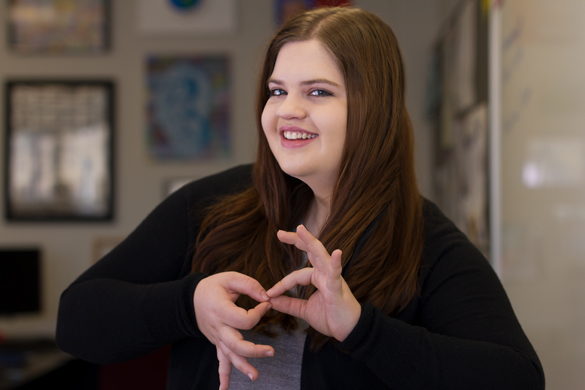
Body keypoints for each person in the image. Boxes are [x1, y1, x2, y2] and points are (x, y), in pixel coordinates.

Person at [56, 6, 545, 390]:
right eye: (276, 90)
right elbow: (76, 318)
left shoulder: (425, 241)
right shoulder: (216, 203)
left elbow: (516, 378)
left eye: (317, 92)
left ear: (373, 110)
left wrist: (360, 329)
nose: (287, 111)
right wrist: (189, 304)